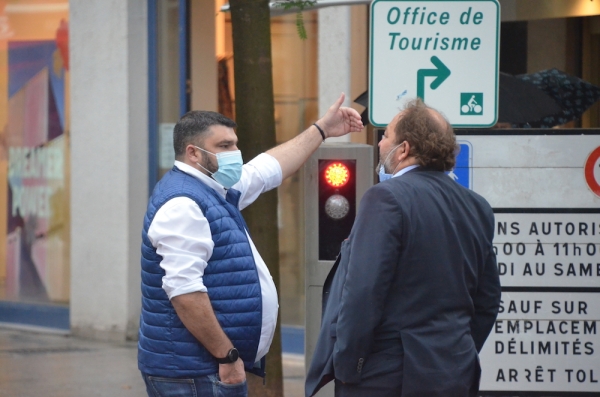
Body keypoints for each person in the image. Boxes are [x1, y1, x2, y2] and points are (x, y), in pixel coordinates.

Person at [138, 94, 363, 397]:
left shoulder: (213, 189)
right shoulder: (183, 204)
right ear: (193, 153)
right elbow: (185, 294)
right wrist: (226, 356)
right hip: (194, 373)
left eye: (235, 143)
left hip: (202, 369)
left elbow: (268, 168)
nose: (236, 153)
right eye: (224, 146)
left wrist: (321, 129)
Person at [306, 99, 501, 397]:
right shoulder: (477, 206)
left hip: (388, 376)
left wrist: (349, 367)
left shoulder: (386, 198)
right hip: (455, 370)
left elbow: (363, 293)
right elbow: (488, 298)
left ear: (404, 149)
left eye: (385, 136)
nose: (381, 144)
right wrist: (456, 350)